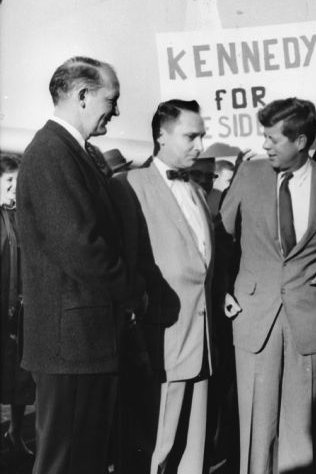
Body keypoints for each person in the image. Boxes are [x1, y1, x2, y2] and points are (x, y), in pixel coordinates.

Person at [16, 56, 141, 474]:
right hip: (70, 345)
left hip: (83, 342)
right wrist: (132, 289)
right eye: (112, 98)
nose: (116, 110)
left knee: (83, 460)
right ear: (83, 95)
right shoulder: (52, 153)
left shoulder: (76, 152)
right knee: (65, 461)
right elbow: (80, 245)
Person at [219, 97, 316, 473]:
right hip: (254, 314)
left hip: (307, 317)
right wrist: (224, 289)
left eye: (272, 139)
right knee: (256, 424)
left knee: (300, 425)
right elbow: (221, 236)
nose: (265, 145)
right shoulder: (249, 175)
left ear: (300, 141)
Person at [109, 99, 216, 473]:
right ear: (161, 134)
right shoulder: (129, 185)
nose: (200, 146)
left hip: (201, 341)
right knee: (155, 447)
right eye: (191, 136)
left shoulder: (199, 192)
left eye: (202, 136)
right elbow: (121, 261)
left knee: (192, 451)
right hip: (159, 342)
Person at [1, 153, 35, 464]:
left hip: (20, 311)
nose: (15, 187)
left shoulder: (17, 215)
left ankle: (15, 431)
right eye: (9, 181)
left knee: (19, 377)